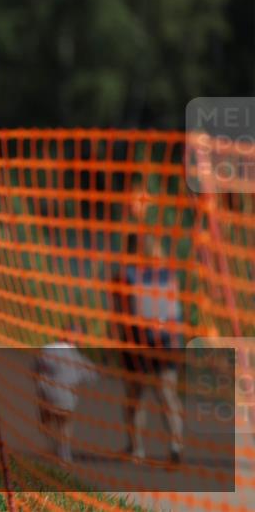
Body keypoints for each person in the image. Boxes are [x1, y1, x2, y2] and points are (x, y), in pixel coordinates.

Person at [110, 178, 185, 464]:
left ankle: (142, 448)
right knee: (160, 395)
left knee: (140, 396)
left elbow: (119, 314)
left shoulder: (134, 275)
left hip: (146, 343)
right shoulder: (161, 274)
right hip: (158, 342)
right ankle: (165, 447)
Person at [33, 322, 98, 464]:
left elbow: (36, 370)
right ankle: (64, 452)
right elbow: (92, 375)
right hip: (66, 398)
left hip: (46, 395)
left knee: (46, 422)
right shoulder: (78, 357)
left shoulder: (47, 349)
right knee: (65, 425)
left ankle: (53, 446)